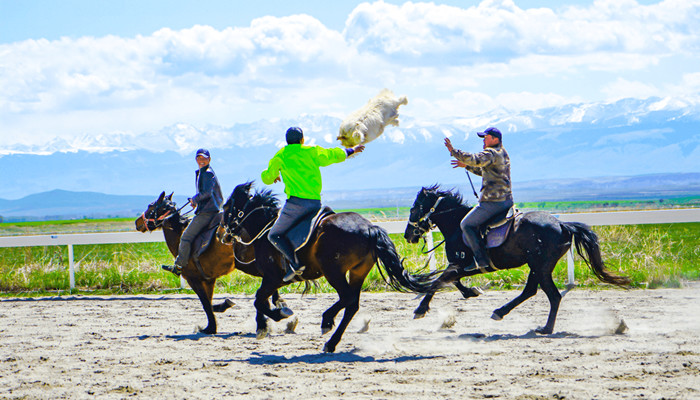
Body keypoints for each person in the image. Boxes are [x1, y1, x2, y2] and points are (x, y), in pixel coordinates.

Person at [261, 127, 365, 282]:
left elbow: (267, 178)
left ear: (287, 141)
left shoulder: (281, 155)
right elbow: (331, 155)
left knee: (274, 235)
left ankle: (295, 264)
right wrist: (350, 151)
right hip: (316, 204)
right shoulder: (312, 151)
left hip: (295, 206)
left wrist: (273, 174)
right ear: (302, 140)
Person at [444, 127, 513, 270]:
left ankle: (481, 261)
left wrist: (453, 151)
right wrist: (467, 166)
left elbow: (475, 159)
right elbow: (486, 171)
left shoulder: (491, 152)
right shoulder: (502, 152)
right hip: (506, 200)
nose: (484, 140)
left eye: (486, 137)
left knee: (466, 224)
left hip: (493, 202)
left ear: (495, 139)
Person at [162, 148, 224, 276]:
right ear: (196, 160)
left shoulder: (207, 173)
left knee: (185, 237)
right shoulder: (205, 172)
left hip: (207, 212)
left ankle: (179, 266)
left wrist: (195, 199)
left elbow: (207, 193)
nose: (201, 160)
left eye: (204, 158)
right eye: (199, 158)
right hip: (211, 209)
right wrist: (196, 201)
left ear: (209, 159)